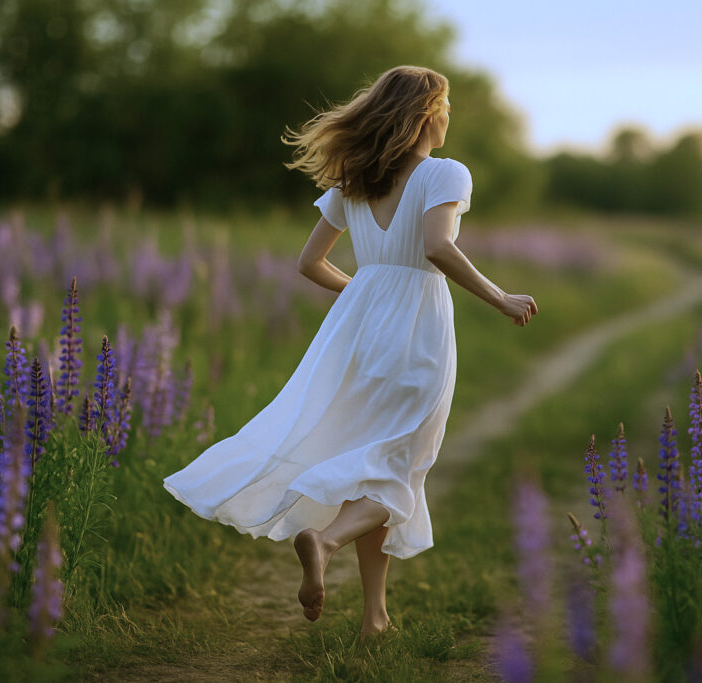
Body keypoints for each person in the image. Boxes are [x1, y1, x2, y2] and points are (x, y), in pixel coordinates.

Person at [163, 65, 537, 638]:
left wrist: (367, 294)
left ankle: (374, 617)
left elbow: (309, 263)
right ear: (425, 116)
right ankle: (326, 539)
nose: (448, 117)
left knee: (375, 464)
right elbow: (437, 246)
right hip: (417, 332)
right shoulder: (446, 173)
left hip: (359, 332)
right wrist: (500, 297)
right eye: (445, 107)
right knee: (400, 465)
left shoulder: (354, 183)